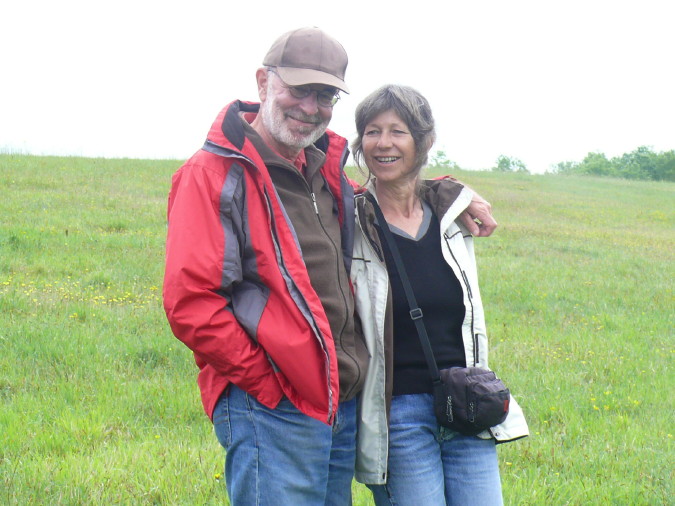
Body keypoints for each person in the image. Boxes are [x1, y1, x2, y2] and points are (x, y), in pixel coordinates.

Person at [163, 27, 498, 505]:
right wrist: (268, 384)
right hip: (274, 405)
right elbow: (192, 304)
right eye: (299, 89)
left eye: (324, 96)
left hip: (338, 402)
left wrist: (445, 191)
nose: (310, 107)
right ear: (263, 82)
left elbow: (392, 196)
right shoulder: (213, 174)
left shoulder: (323, 171)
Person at [349, 84, 529, 505]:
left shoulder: (450, 218)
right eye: (372, 131)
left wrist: (457, 191)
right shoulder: (352, 220)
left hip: (466, 401)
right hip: (398, 414)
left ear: (425, 140)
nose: (383, 143)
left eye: (397, 131)